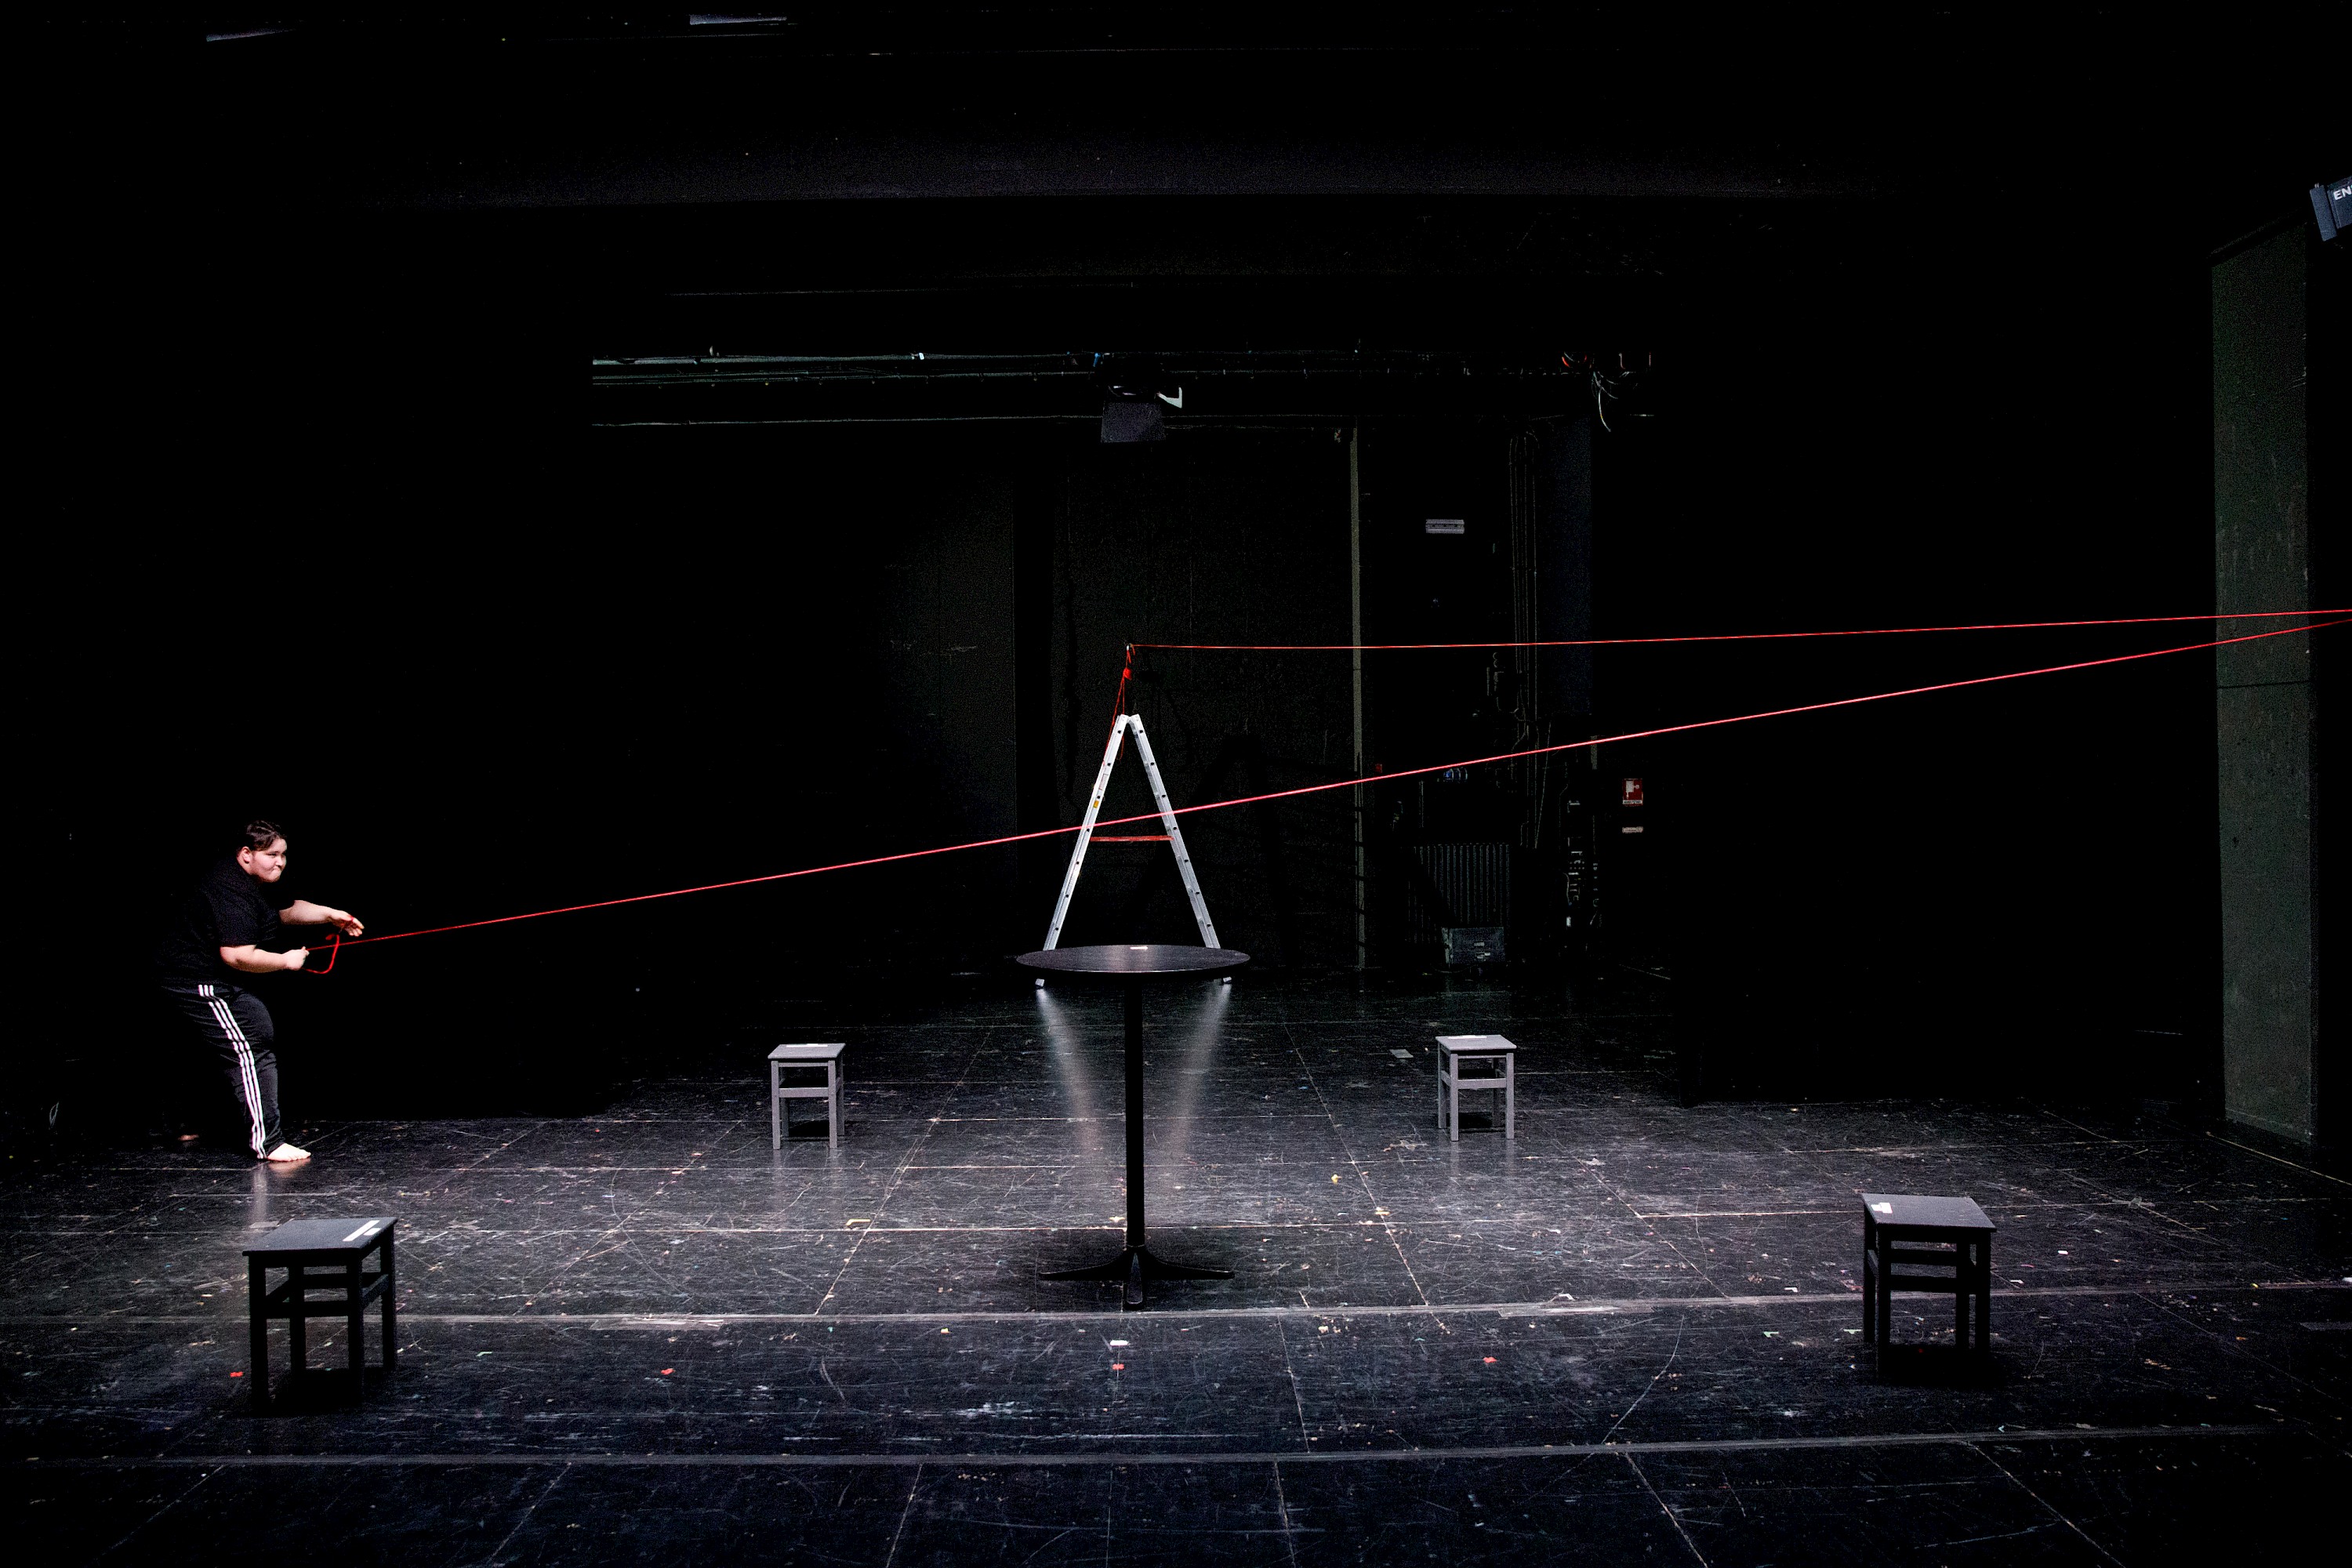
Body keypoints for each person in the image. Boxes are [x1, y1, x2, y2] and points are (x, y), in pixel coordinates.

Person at [155, 821, 362, 1162]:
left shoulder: (258, 882)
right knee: (250, 1040)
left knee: (239, 1034)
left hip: (214, 976)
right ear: (246, 854)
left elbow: (285, 909)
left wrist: (329, 915)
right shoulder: (229, 890)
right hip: (196, 979)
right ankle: (268, 1142)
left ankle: (182, 1123)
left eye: (283, 855)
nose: (280, 863)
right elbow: (238, 956)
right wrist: (285, 961)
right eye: (271, 855)